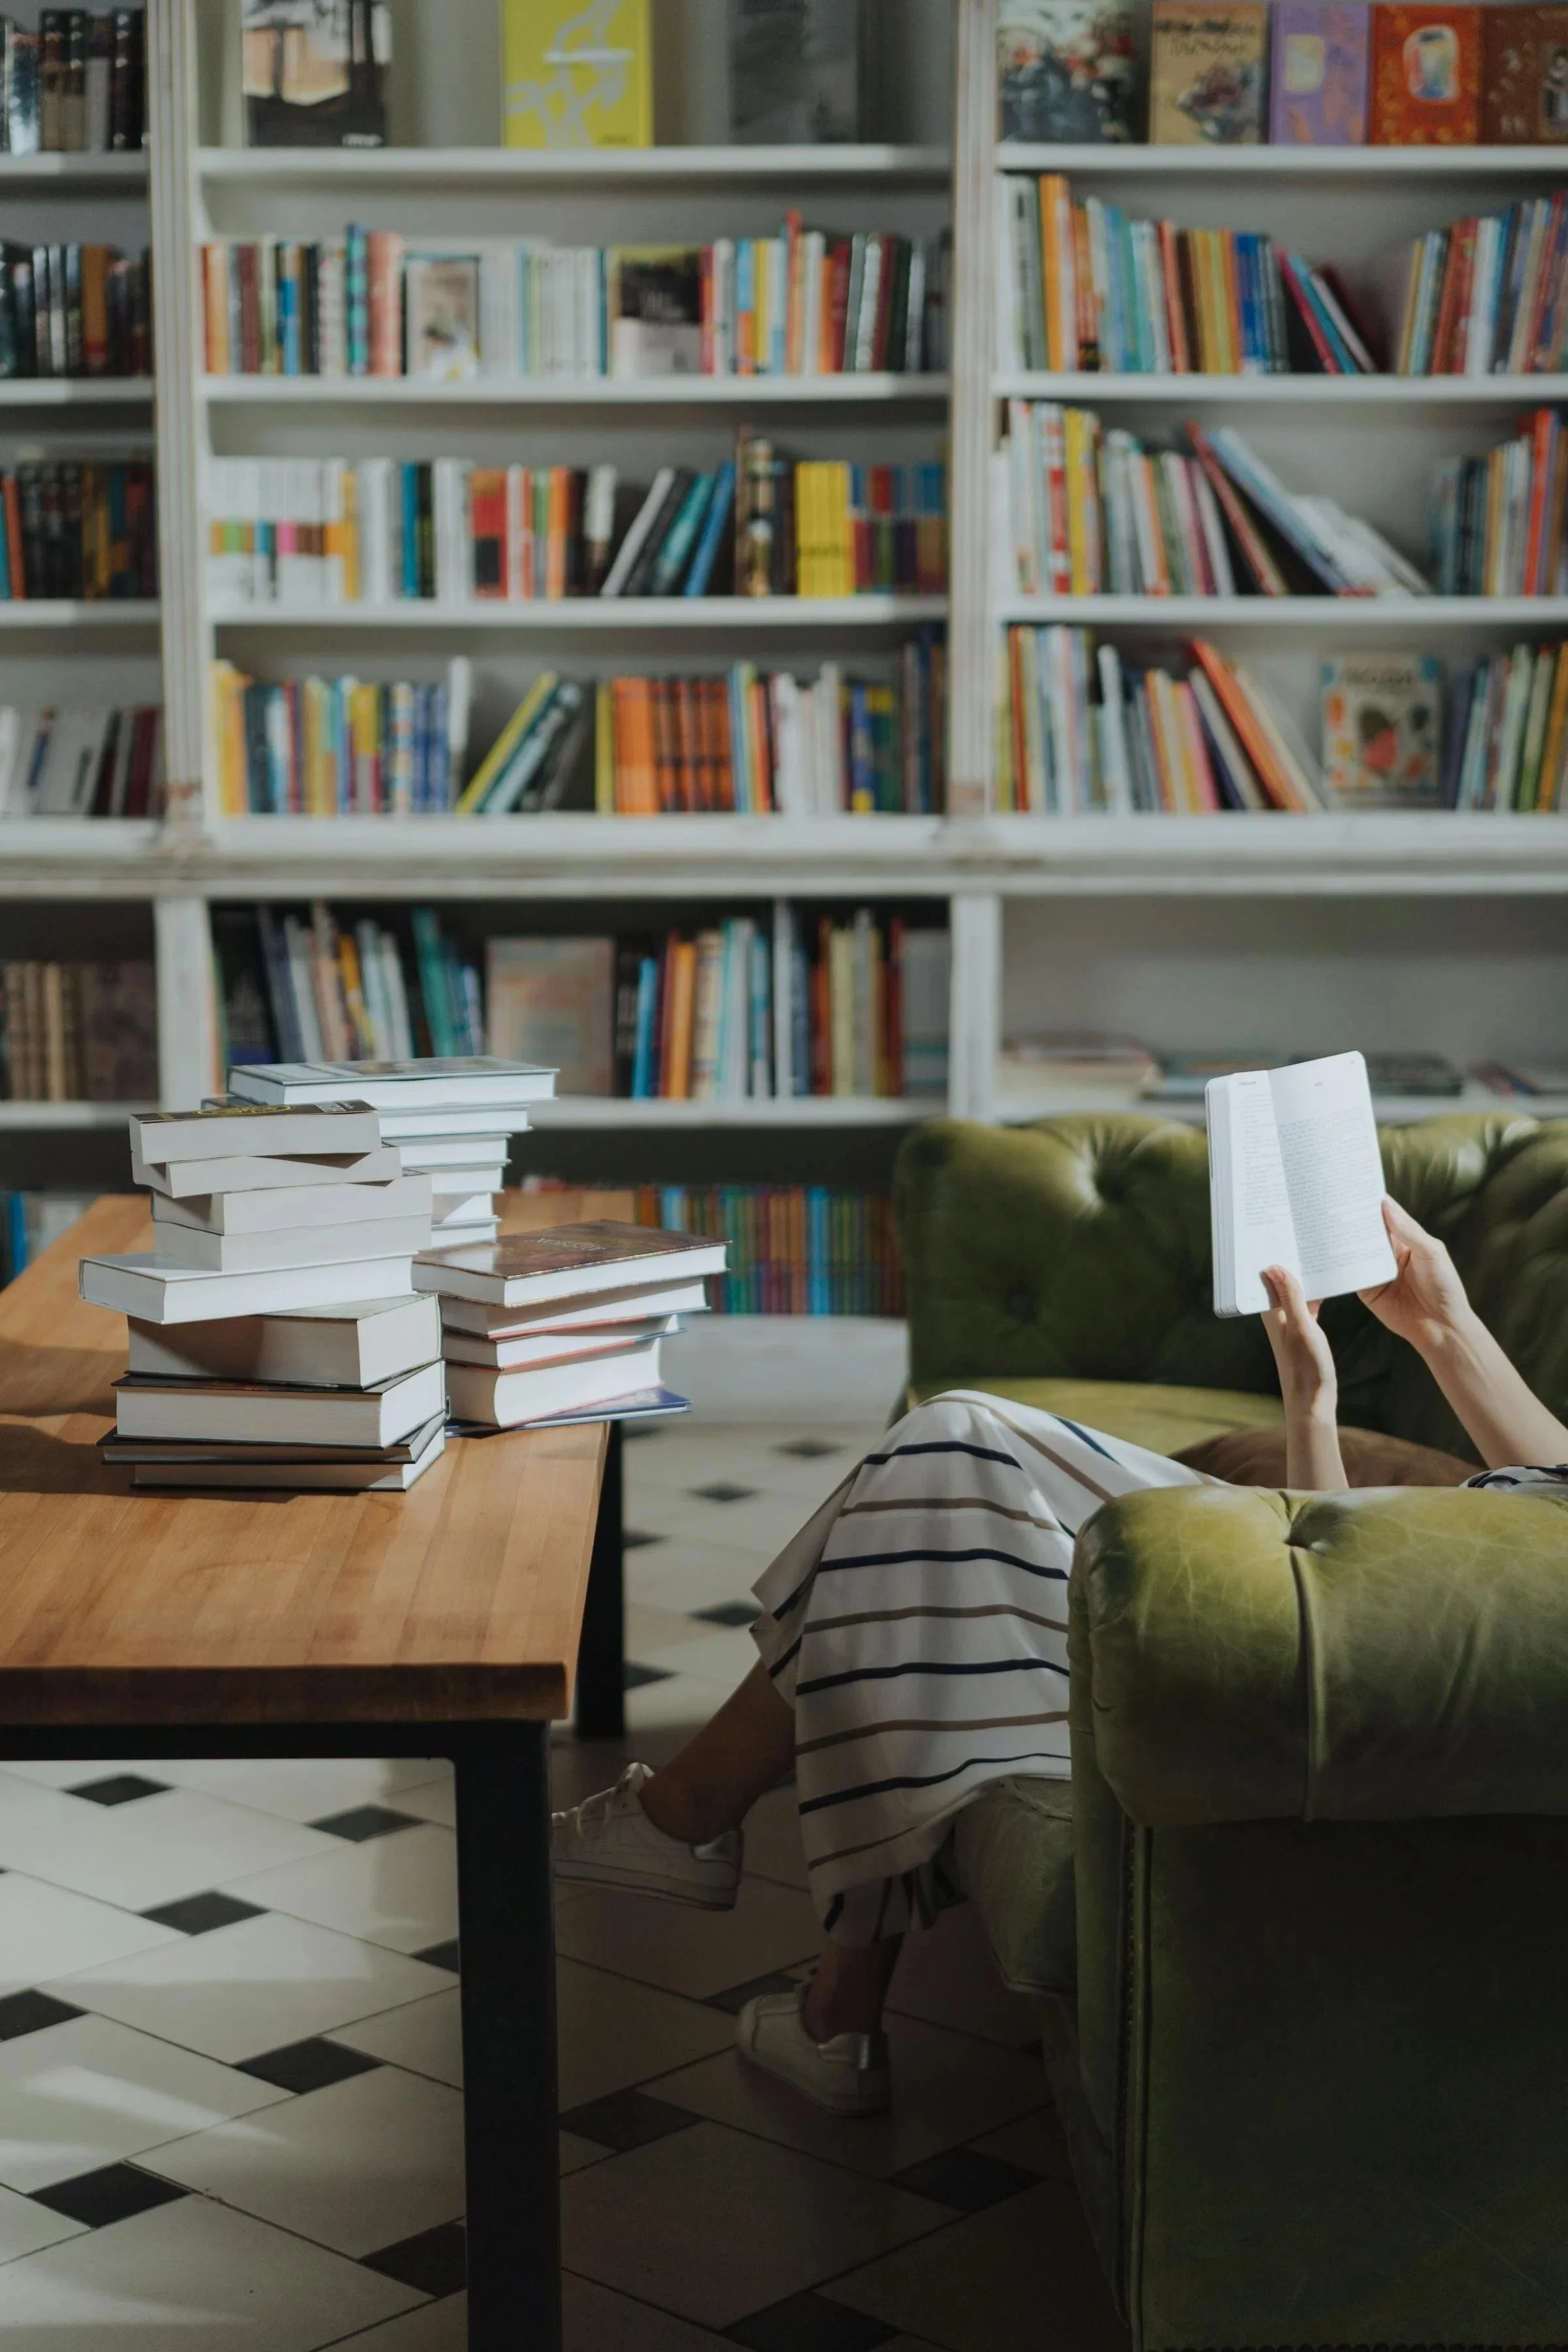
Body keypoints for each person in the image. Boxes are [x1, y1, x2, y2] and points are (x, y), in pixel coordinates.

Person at [553, 1197, 1568, 2116]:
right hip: (1384, 1574)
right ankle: (810, 1983)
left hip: (1367, 1642)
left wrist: (1311, 1409)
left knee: (936, 1491)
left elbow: (1341, 1607)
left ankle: (716, 1856)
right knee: (949, 1458)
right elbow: (1553, 1482)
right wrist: (1443, 1322)